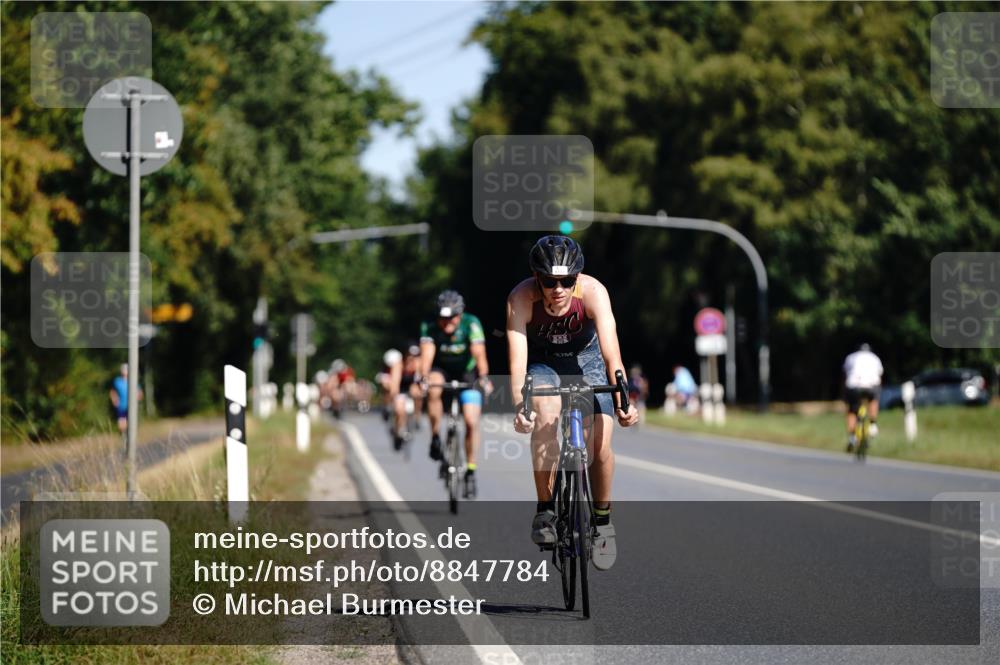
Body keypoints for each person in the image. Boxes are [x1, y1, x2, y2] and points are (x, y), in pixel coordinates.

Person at [507, 235, 639, 571]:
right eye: (550, 281)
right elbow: (517, 362)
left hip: (587, 360)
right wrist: (520, 407)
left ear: (577, 279)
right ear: (537, 278)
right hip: (544, 362)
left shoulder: (594, 292)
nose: (558, 289)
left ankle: (603, 522)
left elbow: (612, 353)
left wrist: (624, 398)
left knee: (601, 443)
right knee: (545, 413)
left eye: (567, 281)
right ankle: (546, 511)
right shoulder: (521, 298)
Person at [420, 290, 491, 498]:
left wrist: (484, 376)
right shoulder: (429, 325)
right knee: (433, 385)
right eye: (443, 317)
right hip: (440, 370)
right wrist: (423, 375)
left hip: (467, 372)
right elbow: (427, 354)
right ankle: (435, 436)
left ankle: (470, 470)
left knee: (470, 420)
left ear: (460, 314)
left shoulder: (471, 323)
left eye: (451, 317)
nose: (447, 322)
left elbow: (479, 354)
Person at [843, 343, 883, 452]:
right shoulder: (875, 358)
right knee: (873, 400)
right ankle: (873, 425)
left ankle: (852, 437)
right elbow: (879, 375)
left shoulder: (851, 357)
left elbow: (846, 373)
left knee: (851, 411)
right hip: (871, 386)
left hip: (854, 386)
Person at [108, 363, 142, 435]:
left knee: (131, 421)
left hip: (132, 406)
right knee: (121, 421)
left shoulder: (133, 381)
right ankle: (123, 435)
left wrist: (138, 398)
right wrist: (114, 400)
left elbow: (140, 393)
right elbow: (112, 392)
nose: (124, 371)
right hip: (121, 405)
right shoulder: (117, 381)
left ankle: (130, 435)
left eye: (126, 370)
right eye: (123, 369)